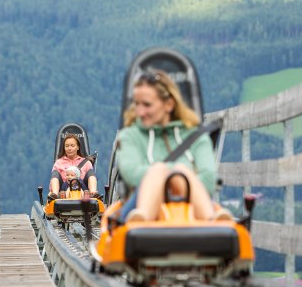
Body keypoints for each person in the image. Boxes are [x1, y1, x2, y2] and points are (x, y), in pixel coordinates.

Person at [116, 69, 231, 222]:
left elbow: (209, 179)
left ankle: (212, 222)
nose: (140, 112)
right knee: (162, 171)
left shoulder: (195, 136)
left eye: (147, 105)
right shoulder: (130, 136)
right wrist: (167, 174)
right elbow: (131, 173)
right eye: (136, 104)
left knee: (179, 172)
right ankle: (141, 222)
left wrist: (178, 177)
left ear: (169, 105)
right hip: (139, 203)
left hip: (189, 205)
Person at [48, 133, 99, 200]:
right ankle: (54, 195)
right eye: (67, 146)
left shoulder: (86, 162)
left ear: (78, 147)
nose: (69, 148)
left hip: (82, 191)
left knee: (90, 172)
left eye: (72, 146)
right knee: (55, 173)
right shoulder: (58, 163)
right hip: (63, 192)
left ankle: (93, 193)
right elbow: (53, 179)